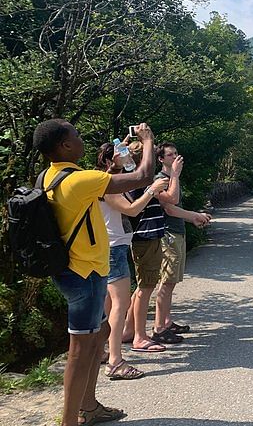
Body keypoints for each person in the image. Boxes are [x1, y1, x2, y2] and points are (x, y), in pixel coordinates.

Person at [32, 120, 156, 426]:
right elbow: (143, 176)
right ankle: (69, 421)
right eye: (75, 135)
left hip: (79, 270)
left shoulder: (49, 176)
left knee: (99, 333)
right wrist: (148, 140)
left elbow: (99, 183)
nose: (81, 137)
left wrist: (114, 164)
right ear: (64, 146)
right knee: (79, 348)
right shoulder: (79, 180)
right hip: (83, 274)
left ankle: (89, 405)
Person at [96, 143, 169, 380]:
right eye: (125, 158)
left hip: (109, 246)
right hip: (114, 248)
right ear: (111, 161)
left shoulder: (104, 180)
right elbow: (132, 210)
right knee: (120, 304)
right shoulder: (108, 186)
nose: (129, 163)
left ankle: (102, 351)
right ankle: (115, 361)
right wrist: (151, 190)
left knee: (107, 303)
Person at [124, 141, 182, 349]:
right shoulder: (143, 180)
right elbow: (172, 201)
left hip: (149, 236)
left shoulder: (141, 180)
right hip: (145, 237)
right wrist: (174, 175)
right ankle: (140, 336)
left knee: (143, 286)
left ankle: (130, 331)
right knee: (146, 287)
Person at [154, 142, 211, 338]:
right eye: (170, 155)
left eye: (176, 154)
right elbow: (170, 206)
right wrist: (194, 215)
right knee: (166, 281)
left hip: (177, 233)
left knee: (172, 282)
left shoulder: (171, 178)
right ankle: (159, 328)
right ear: (161, 159)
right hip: (167, 235)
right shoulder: (160, 179)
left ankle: (166, 321)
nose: (175, 157)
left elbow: (175, 207)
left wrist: (193, 219)